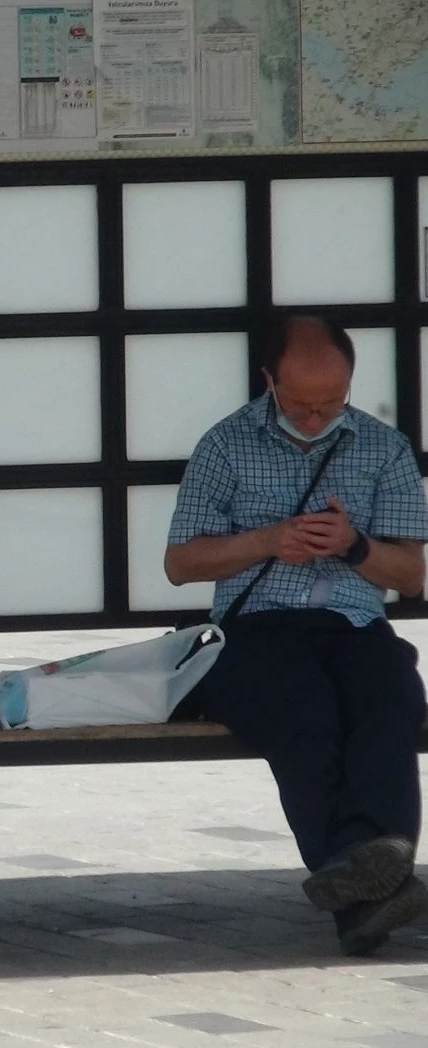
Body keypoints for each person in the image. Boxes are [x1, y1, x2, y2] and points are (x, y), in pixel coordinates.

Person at [166, 314, 428, 956]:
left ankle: (366, 884)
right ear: (268, 381)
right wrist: (268, 541)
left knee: (390, 701)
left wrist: (354, 545)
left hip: (354, 624)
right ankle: (375, 879)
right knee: (303, 716)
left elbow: (413, 574)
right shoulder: (225, 445)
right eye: (300, 404)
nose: (314, 418)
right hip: (256, 630)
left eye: (330, 404)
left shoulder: (383, 448)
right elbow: (180, 564)